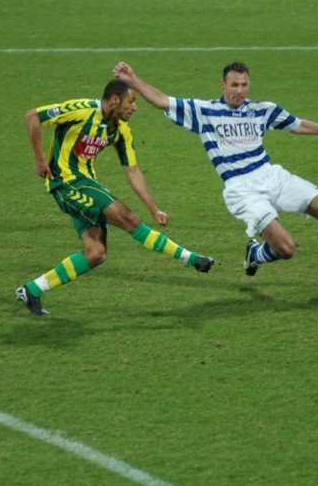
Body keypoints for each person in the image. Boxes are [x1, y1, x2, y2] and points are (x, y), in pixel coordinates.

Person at [113, 61, 318, 283]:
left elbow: (297, 125)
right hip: (241, 190)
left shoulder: (261, 110)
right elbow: (161, 100)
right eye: (234, 85)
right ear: (223, 85)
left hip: (271, 175)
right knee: (286, 249)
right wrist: (132, 80)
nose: (240, 91)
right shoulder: (205, 111)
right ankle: (254, 254)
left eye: (244, 85)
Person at [16, 78, 215, 316]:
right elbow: (32, 117)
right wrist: (40, 159)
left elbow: (132, 169)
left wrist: (154, 208)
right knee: (129, 219)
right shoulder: (81, 110)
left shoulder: (119, 130)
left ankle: (32, 290)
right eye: (131, 102)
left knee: (96, 253)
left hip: (86, 187)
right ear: (114, 100)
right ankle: (192, 259)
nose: (135, 107)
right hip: (68, 184)